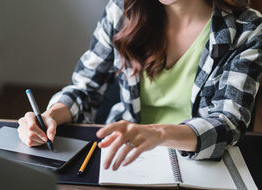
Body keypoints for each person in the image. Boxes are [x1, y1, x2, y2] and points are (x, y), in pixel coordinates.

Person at [18, 0, 262, 171]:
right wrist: (50, 116)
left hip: (202, 163)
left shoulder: (247, 28)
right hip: (125, 158)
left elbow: (229, 122)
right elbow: (85, 88)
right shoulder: (122, 10)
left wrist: (156, 134)